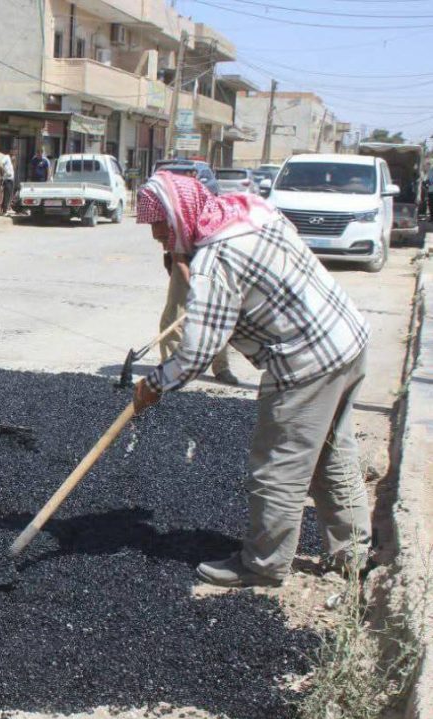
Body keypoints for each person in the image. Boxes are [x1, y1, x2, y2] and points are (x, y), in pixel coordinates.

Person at [132, 171, 372, 588]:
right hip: (347, 340)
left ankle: (263, 564)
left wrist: (153, 384)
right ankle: (352, 553)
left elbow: (195, 355)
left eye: (161, 228)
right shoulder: (246, 211)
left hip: (306, 365)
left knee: (278, 469)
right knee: (332, 453)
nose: (159, 238)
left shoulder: (216, 260)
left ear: (177, 216)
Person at [157, 245, 239, 386]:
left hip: (218, 261)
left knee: (219, 315)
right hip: (184, 258)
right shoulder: (180, 225)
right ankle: (175, 366)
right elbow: (178, 257)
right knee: (174, 315)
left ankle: (221, 367)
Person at [0, 150, 15, 216]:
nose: (14, 155)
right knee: (7, 195)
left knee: (9, 195)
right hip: (7, 180)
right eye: (14, 153)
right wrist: (6, 171)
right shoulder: (6, 157)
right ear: (11, 152)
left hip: (11, 180)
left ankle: (4, 210)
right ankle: (4, 211)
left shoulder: (11, 160)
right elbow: (0, 164)